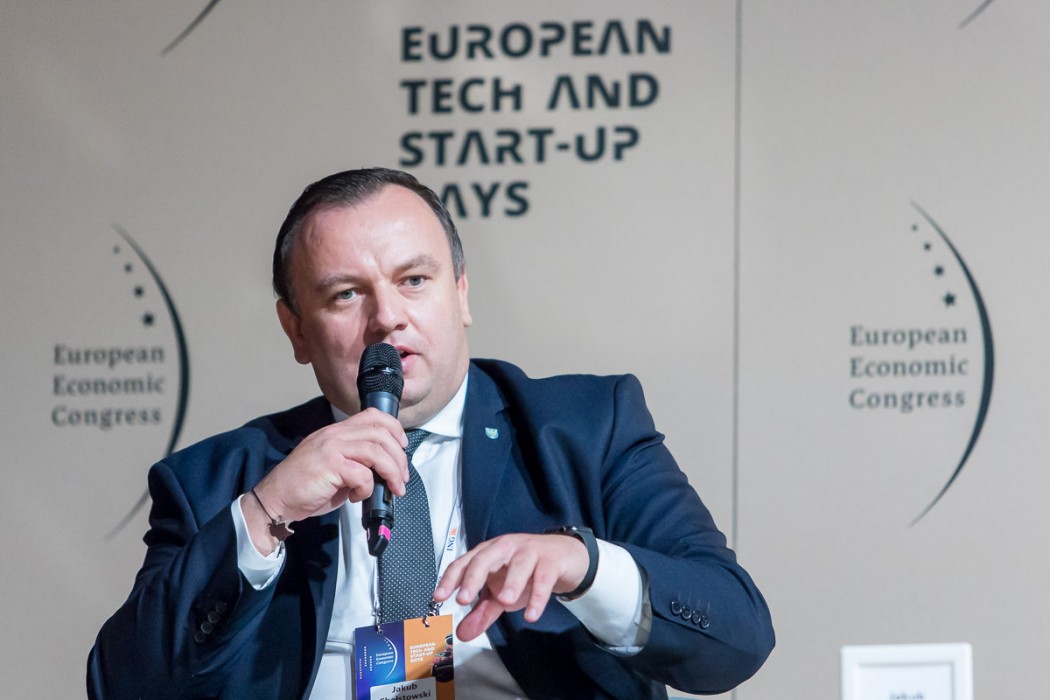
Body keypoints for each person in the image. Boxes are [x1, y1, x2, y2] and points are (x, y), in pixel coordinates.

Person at [87, 168, 774, 699]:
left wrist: (587, 567)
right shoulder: (220, 481)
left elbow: (737, 635)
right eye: (346, 294)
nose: (387, 317)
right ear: (295, 329)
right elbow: (123, 687)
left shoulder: (586, 429)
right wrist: (265, 515)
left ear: (461, 293)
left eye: (414, 279)